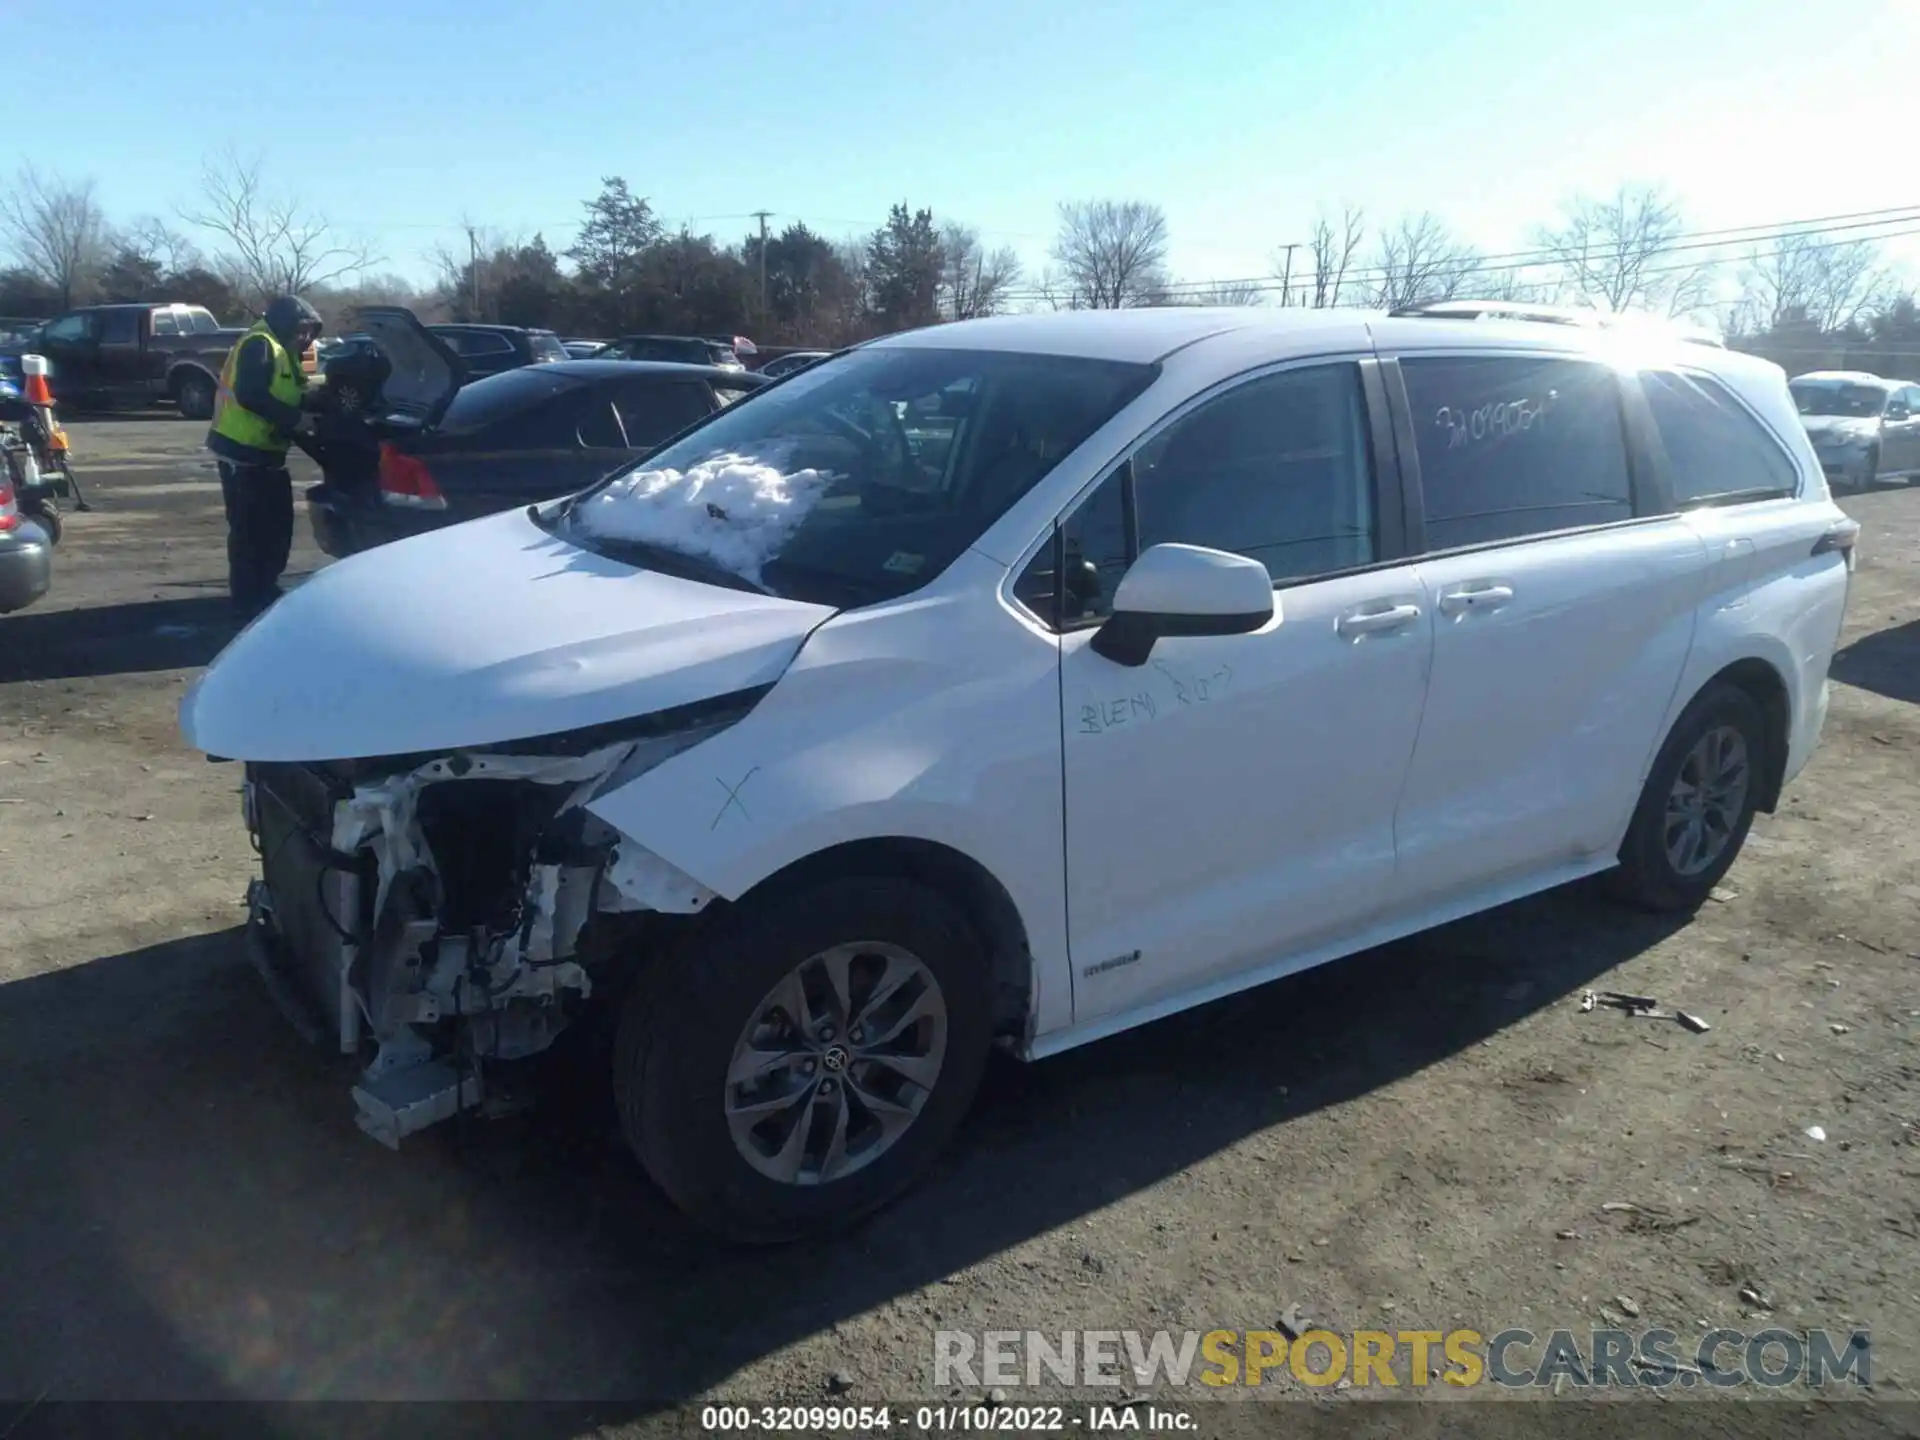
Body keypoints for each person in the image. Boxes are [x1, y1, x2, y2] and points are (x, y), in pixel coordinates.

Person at [206, 295, 323, 613]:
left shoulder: (284, 350)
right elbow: (251, 394)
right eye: (302, 330)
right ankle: (248, 598)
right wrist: (296, 419)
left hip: (264, 453)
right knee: (250, 529)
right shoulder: (260, 343)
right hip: (241, 453)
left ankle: (264, 587)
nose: (306, 338)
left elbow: (290, 391)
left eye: (310, 332)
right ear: (287, 323)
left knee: (276, 525)